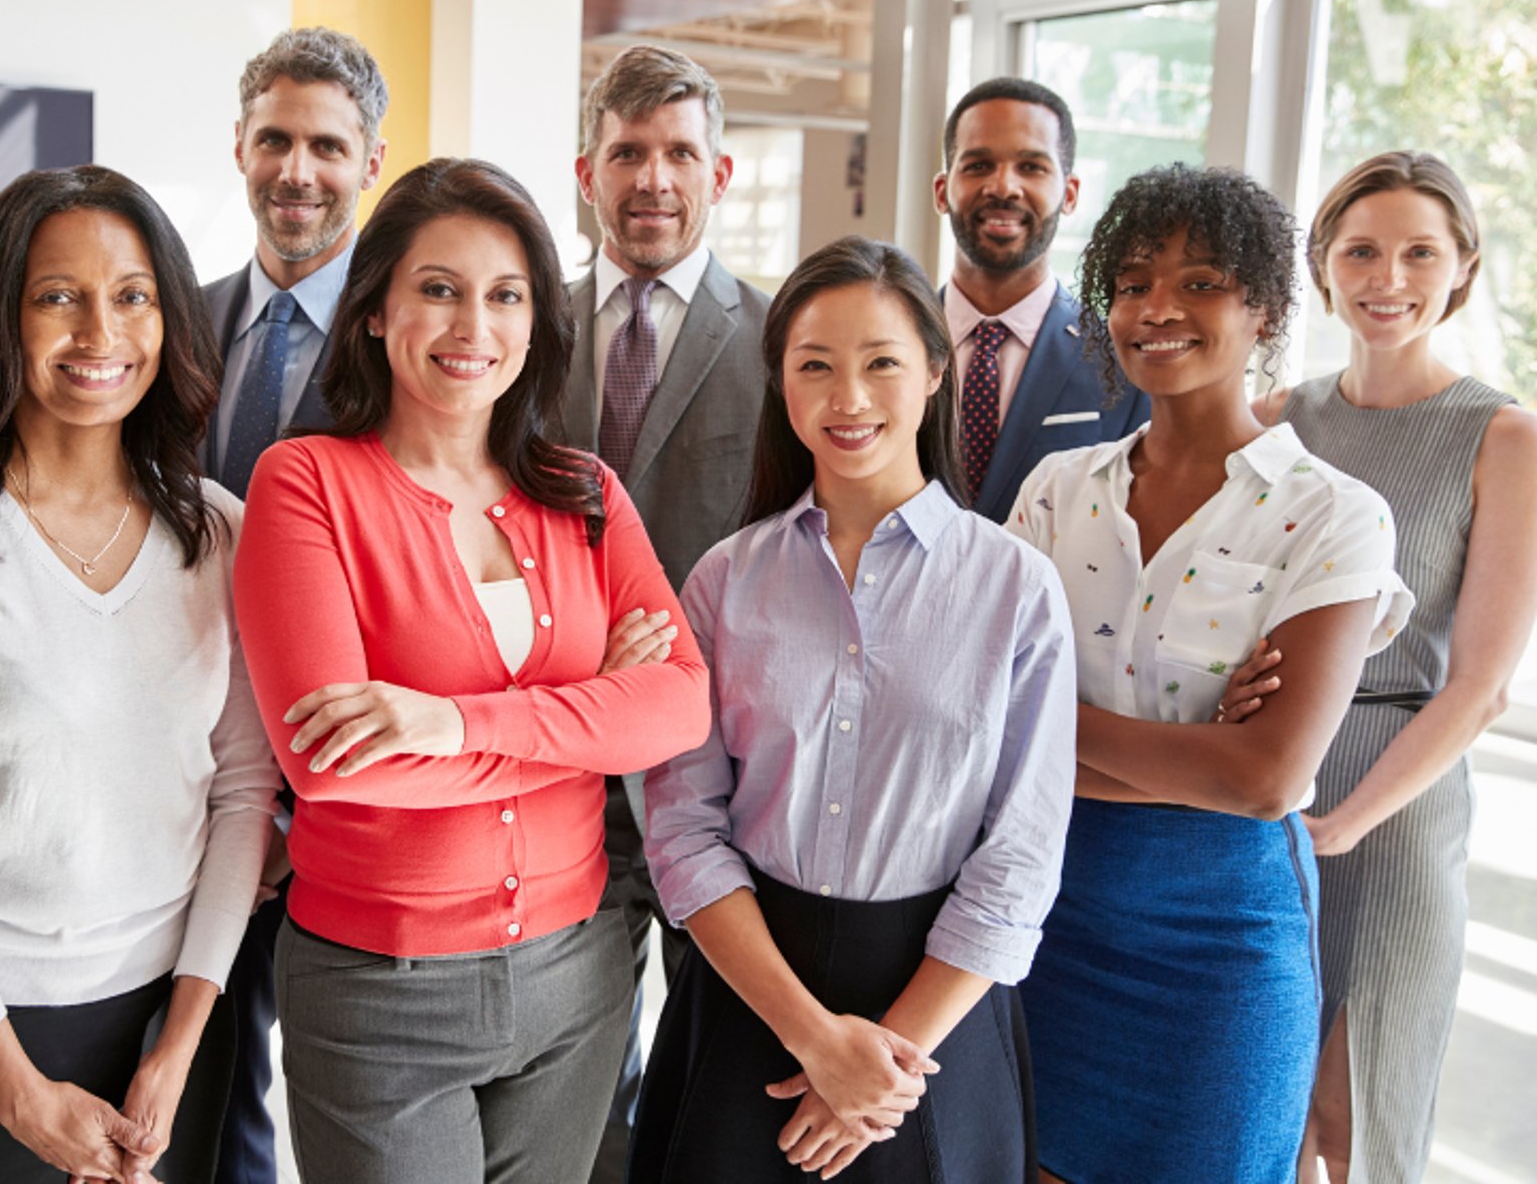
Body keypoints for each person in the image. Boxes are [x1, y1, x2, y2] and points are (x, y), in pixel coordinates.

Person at [236, 156, 712, 1184]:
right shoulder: (306, 484)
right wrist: (589, 717)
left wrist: (448, 724)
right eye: (438, 290)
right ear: (375, 310)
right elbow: (332, 766)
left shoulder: (585, 494)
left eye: (506, 296)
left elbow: (679, 705)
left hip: (574, 982)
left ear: (537, 322)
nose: (473, 327)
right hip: (379, 994)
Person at [0, 165, 280, 1183]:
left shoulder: (221, 532)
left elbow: (245, 795)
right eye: (57, 296)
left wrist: (178, 1044)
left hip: (167, 1032)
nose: (99, 333)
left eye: (132, 296)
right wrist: (16, 1092)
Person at [632, 236, 1077, 1183]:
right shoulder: (723, 580)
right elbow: (682, 827)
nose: (849, 398)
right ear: (780, 381)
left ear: (934, 369)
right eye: (815, 366)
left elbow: (1022, 855)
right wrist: (815, 1040)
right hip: (750, 1001)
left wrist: (882, 1063)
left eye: (881, 362)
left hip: (936, 1021)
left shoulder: (1016, 588)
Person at [1008, 164, 1414, 1183]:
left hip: (1220, 941)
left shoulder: (1334, 512)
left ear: (1265, 308)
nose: (1157, 309)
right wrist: (1196, 752)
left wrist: (1047, 729)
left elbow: (1267, 780)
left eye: (1200, 283)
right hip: (1040, 912)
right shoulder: (1058, 490)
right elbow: (980, 727)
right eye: (1135, 282)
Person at [1255, 152, 1537, 1184]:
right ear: (1325, 268)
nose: (1388, 275)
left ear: (1461, 267)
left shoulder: (1502, 436)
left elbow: (1481, 687)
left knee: (1359, 1119)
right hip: (1269, 786)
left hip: (1398, 807)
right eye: (1361, 249)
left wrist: (1347, 823)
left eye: (1421, 251)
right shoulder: (1279, 419)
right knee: (1268, 1109)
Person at [559, 45, 773, 1180]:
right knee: (575, 1073)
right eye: (628, 151)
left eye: (678, 152)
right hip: (555, 780)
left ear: (720, 170)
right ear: (584, 168)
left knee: (718, 1077)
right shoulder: (521, 323)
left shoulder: (784, 338)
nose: (652, 177)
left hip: (718, 776)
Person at [201, 25, 388, 1184]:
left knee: (341, 1113)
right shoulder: (173, 316)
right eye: (275, 138)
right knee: (208, 1097)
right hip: (181, 793)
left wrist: (286, 810)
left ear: (372, 161)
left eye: (327, 144)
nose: (297, 169)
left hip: (342, 801)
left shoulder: (413, 337)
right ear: (238, 147)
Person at [933, 78, 1148, 521]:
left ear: (1069, 194)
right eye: (978, 165)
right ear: (942, 190)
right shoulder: (888, 346)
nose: (1004, 187)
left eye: (1031, 167)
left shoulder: (1123, 362)